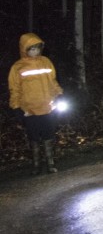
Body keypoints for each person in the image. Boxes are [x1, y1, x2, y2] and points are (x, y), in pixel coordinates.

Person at [8, 33, 64, 174]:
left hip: (47, 107)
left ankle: (50, 163)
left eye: (37, 48)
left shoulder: (46, 62)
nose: (35, 52)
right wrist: (17, 108)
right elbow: (14, 89)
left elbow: (53, 81)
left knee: (48, 135)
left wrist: (59, 94)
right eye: (31, 49)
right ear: (24, 49)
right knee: (33, 138)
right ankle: (36, 165)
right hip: (29, 109)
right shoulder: (18, 67)